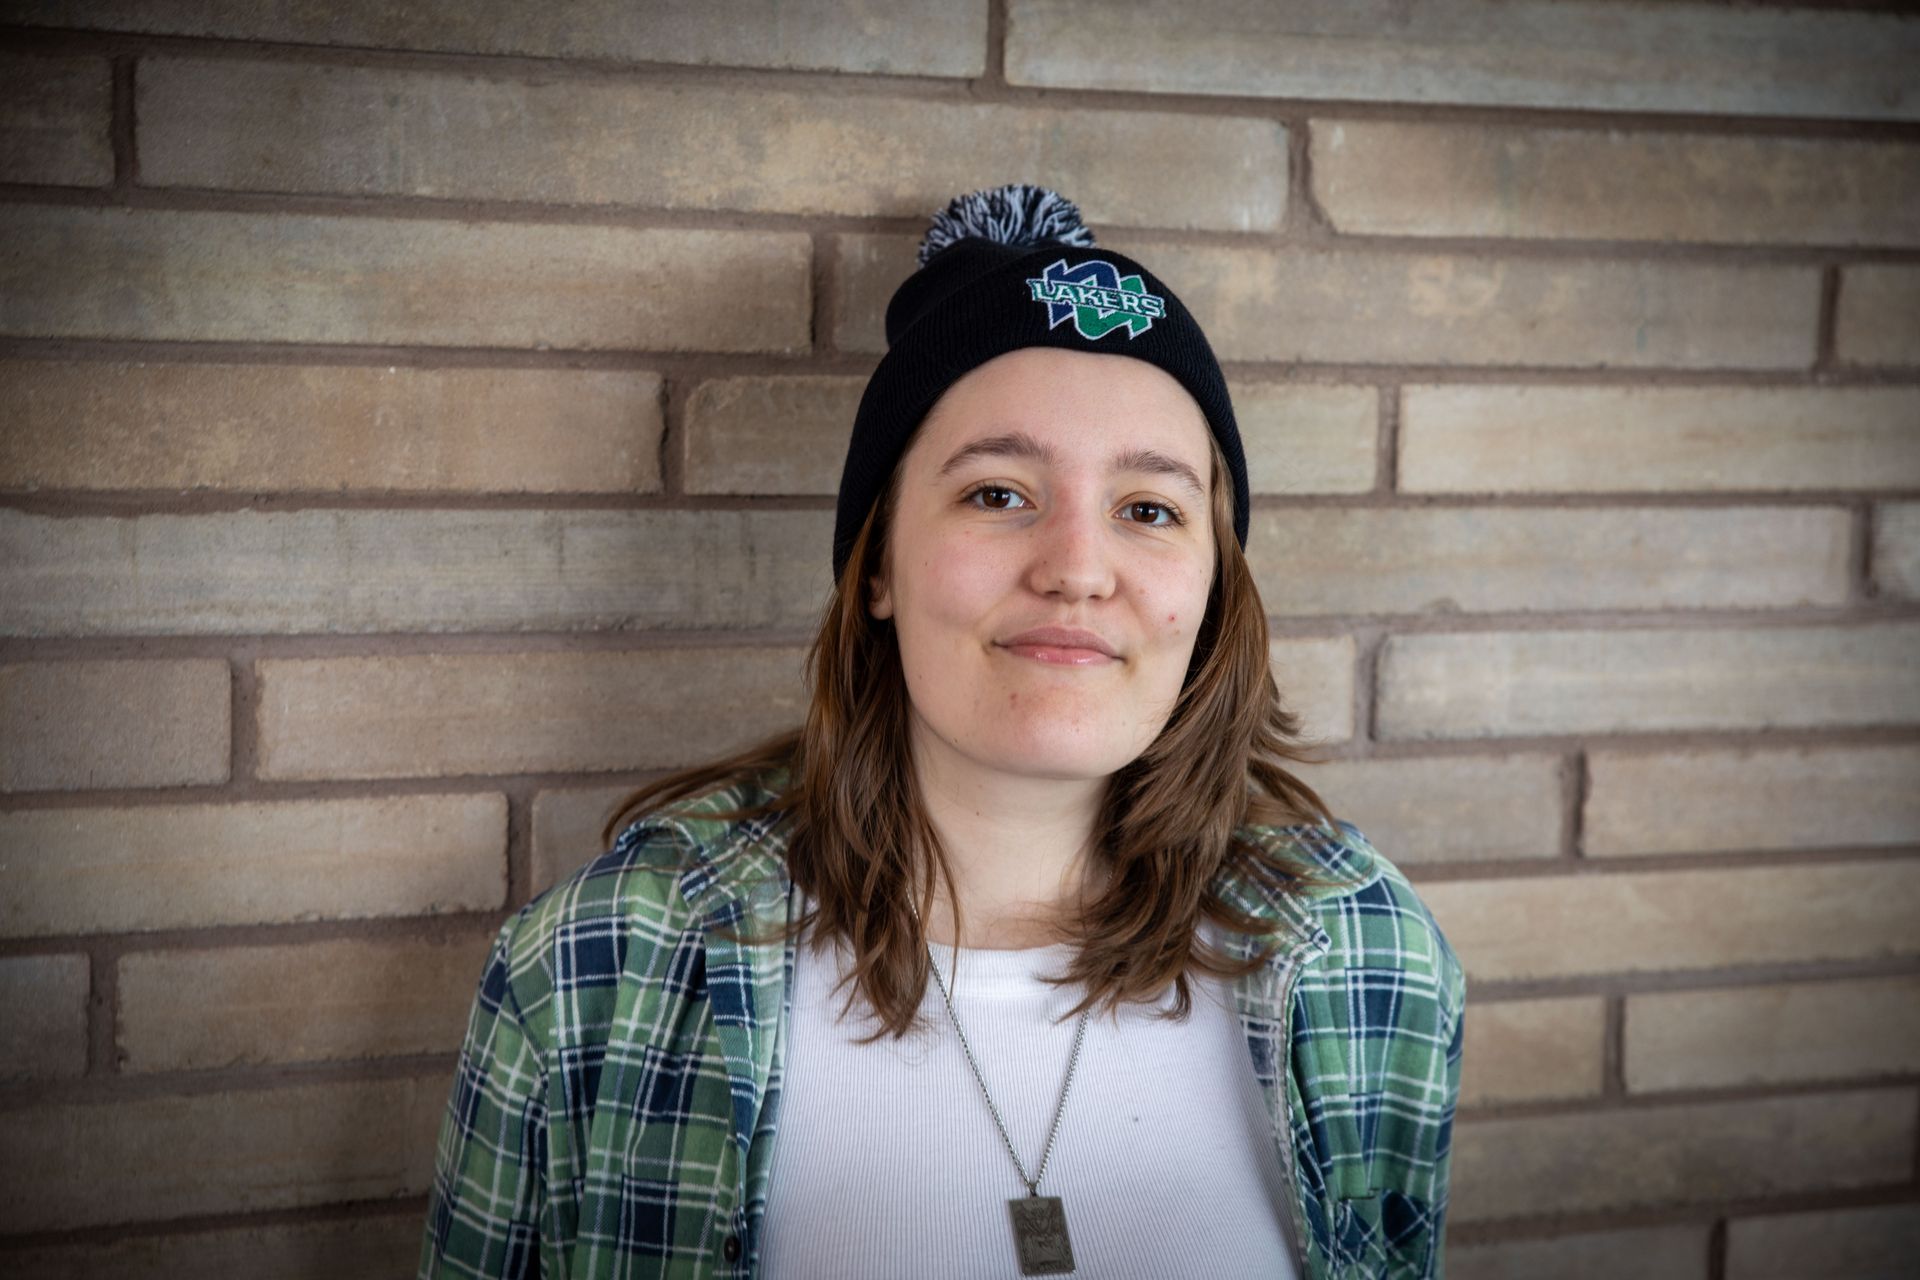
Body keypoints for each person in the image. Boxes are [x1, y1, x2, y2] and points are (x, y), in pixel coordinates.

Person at [419, 184, 1465, 1280]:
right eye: (998, 494)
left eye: (1149, 509)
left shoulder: (1367, 956)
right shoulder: (595, 970)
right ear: (878, 563)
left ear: (1209, 586)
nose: (1077, 568)